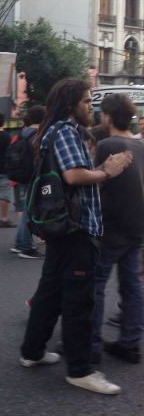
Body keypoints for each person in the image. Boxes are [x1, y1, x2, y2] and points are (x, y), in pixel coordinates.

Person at [20, 78, 131, 395]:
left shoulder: (51, 130)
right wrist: (108, 171)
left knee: (50, 292)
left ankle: (32, 351)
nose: (90, 106)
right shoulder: (66, 130)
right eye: (86, 100)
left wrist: (101, 168)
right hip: (76, 227)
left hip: (59, 225)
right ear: (71, 104)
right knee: (79, 300)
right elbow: (74, 175)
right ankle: (81, 370)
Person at [91, 94, 144, 365]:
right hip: (137, 225)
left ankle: (91, 345)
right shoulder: (140, 145)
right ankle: (130, 343)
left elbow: (97, 181)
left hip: (110, 225)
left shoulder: (107, 144)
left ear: (108, 117)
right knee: (132, 284)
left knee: (96, 284)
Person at [10, 105, 45, 259]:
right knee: (28, 212)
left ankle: (19, 244)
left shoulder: (22, 133)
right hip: (33, 177)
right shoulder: (38, 135)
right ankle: (25, 247)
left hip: (21, 175)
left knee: (26, 210)